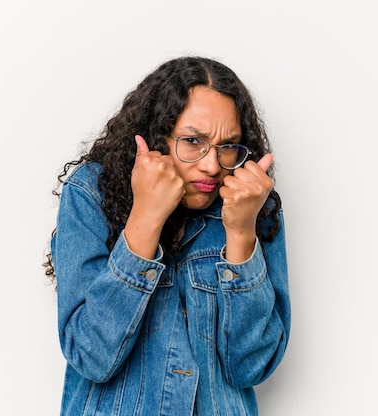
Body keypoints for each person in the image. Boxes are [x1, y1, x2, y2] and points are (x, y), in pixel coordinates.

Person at [46, 56, 290, 415]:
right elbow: (91, 355)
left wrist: (240, 232)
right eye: (193, 141)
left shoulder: (251, 205)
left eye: (228, 146)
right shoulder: (91, 194)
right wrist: (146, 215)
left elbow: (251, 367)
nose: (212, 165)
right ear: (158, 136)